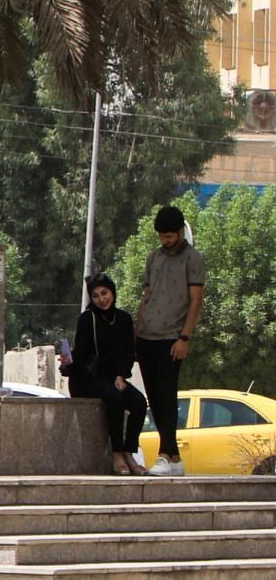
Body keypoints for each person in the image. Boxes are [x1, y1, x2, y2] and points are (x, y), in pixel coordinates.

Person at [133, 203, 205, 477]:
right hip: (147, 335)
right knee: (154, 397)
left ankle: (166, 453)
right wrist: (137, 331)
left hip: (172, 337)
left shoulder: (193, 259)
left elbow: (196, 301)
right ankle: (173, 457)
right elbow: (147, 296)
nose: (165, 241)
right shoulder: (154, 257)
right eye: (162, 236)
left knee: (166, 394)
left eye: (170, 236)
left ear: (180, 232)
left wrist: (185, 337)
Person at [62, 273, 149, 475]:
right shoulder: (87, 318)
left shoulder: (124, 319)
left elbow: (128, 352)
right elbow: (81, 353)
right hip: (87, 378)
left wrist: (121, 375)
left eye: (104, 293)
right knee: (115, 397)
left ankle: (129, 452)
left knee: (138, 402)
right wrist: (67, 364)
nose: (102, 299)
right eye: (96, 296)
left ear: (112, 292)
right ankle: (117, 454)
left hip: (113, 377)